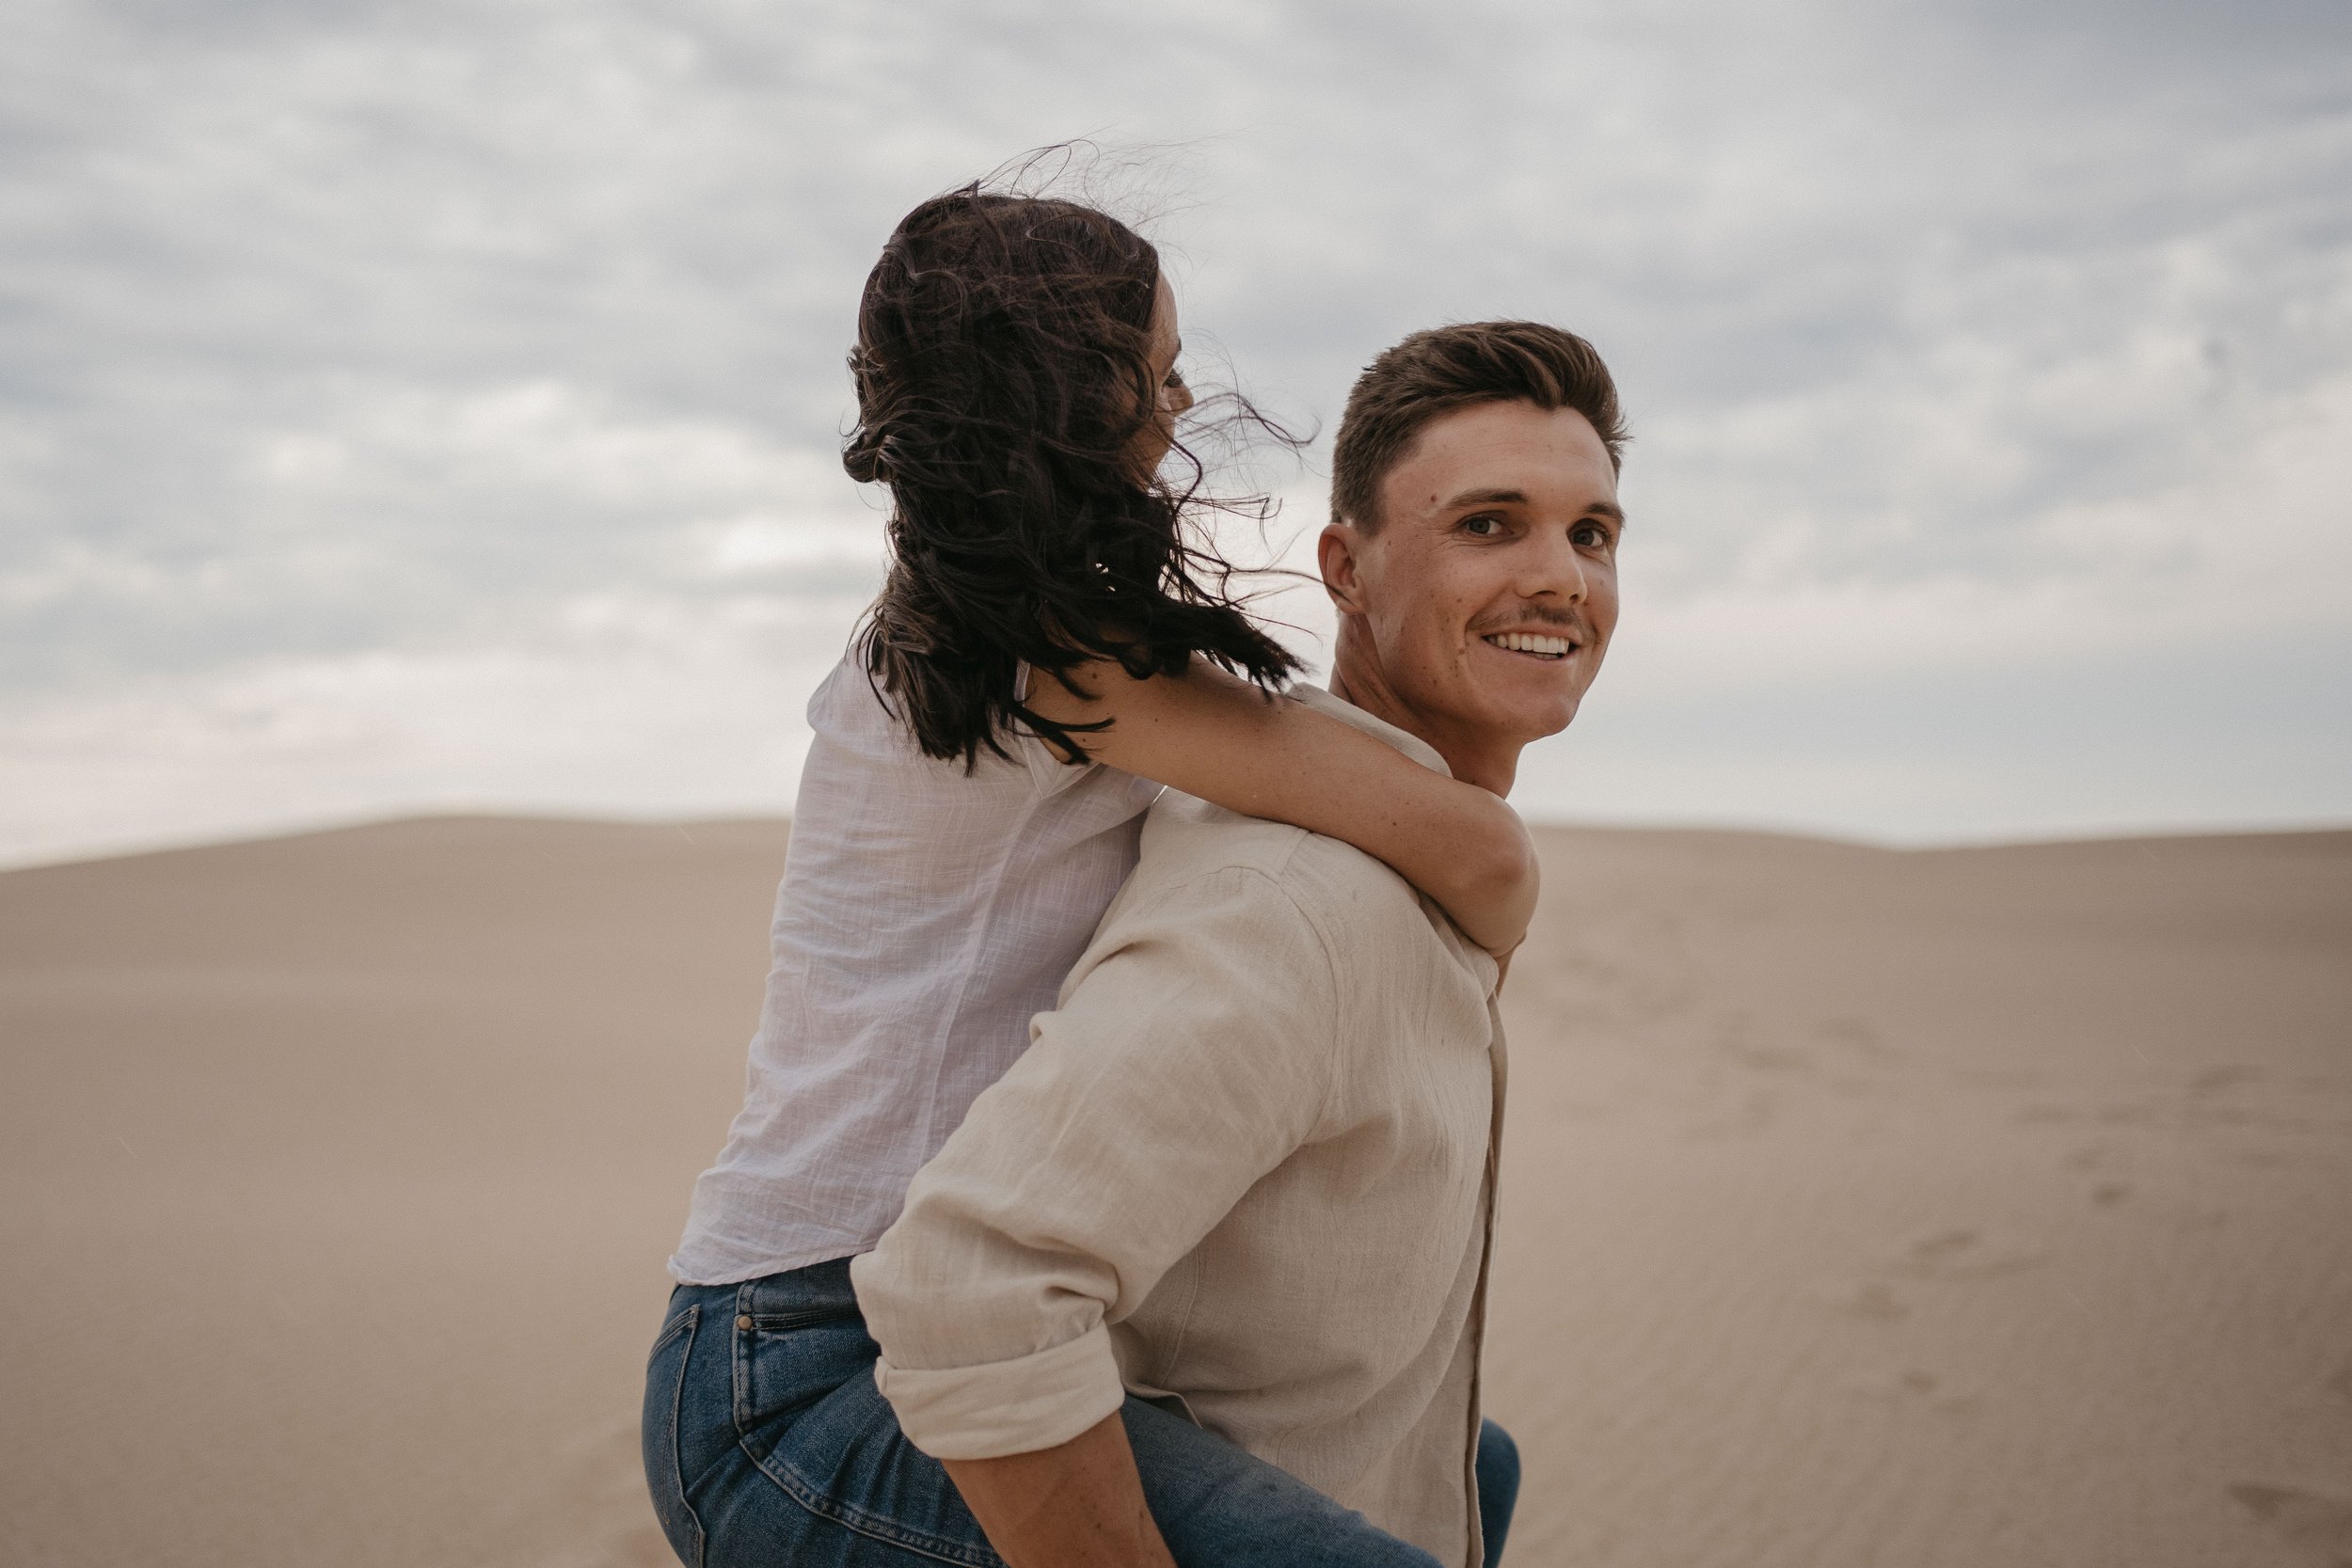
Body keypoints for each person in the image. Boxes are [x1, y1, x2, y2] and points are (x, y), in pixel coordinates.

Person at [644, 180, 1544, 1566]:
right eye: (1161, 374)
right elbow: (1469, 850)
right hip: (809, 1375)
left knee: (1460, 1465)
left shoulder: (982, 631)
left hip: (828, 1328)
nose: (1181, 409)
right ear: (1073, 399)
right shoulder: (1050, 660)